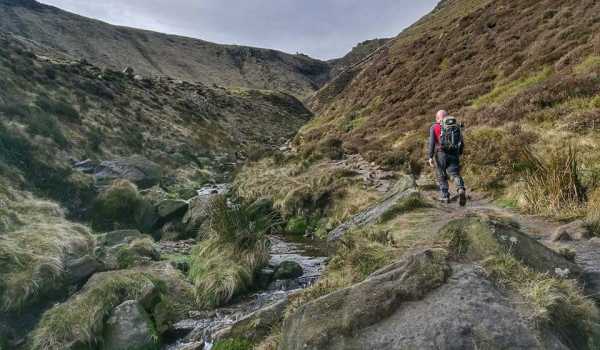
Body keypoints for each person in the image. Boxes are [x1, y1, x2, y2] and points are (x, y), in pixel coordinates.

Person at [427, 110, 467, 206]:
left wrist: (430, 157)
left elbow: (432, 143)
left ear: (437, 118)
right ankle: (460, 188)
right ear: (447, 116)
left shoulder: (434, 127)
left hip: (441, 154)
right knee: (454, 174)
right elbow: (461, 140)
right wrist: (459, 152)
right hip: (454, 154)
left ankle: (445, 196)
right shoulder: (455, 126)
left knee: (441, 175)